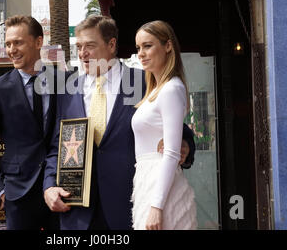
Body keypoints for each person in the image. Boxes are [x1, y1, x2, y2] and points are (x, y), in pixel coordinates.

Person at [43, 15, 195, 230]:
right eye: (79, 46)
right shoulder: (66, 89)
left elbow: (178, 128)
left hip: (130, 205)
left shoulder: (145, 81)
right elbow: (55, 147)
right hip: (77, 211)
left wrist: (186, 145)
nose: (82, 53)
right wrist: (49, 186)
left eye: (90, 46)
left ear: (111, 44)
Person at [0, 15, 57, 230]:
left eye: (18, 42)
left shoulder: (64, 82)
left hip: (61, 191)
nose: (11, 50)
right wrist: (1, 190)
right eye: (8, 44)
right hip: (18, 195)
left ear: (39, 42)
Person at [132, 20, 197, 230]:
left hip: (160, 187)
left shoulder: (171, 89)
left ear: (168, 46)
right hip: (147, 182)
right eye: (138, 48)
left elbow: (171, 152)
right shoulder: (154, 91)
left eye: (148, 46)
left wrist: (156, 206)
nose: (141, 53)